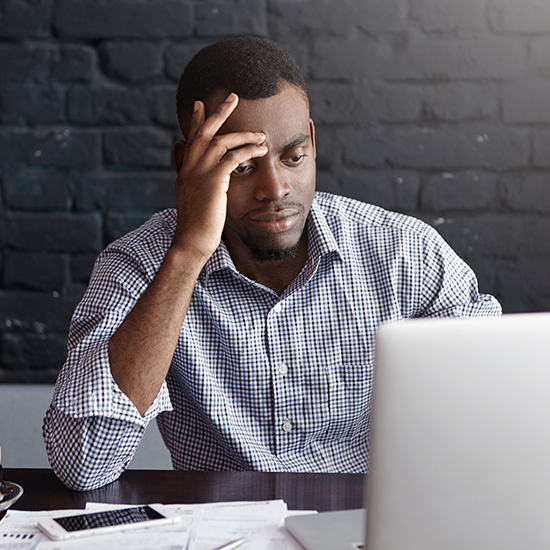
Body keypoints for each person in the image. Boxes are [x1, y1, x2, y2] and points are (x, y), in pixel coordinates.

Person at [43, 36, 501, 491]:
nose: (275, 189)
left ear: (313, 143)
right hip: (223, 531)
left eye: (294, 156)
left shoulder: (405, 253)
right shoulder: (138, 266)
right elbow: (85, 464)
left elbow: (502, 400)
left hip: (367, 526)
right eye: (241, 165)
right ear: (187, 164)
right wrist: (187, 253)